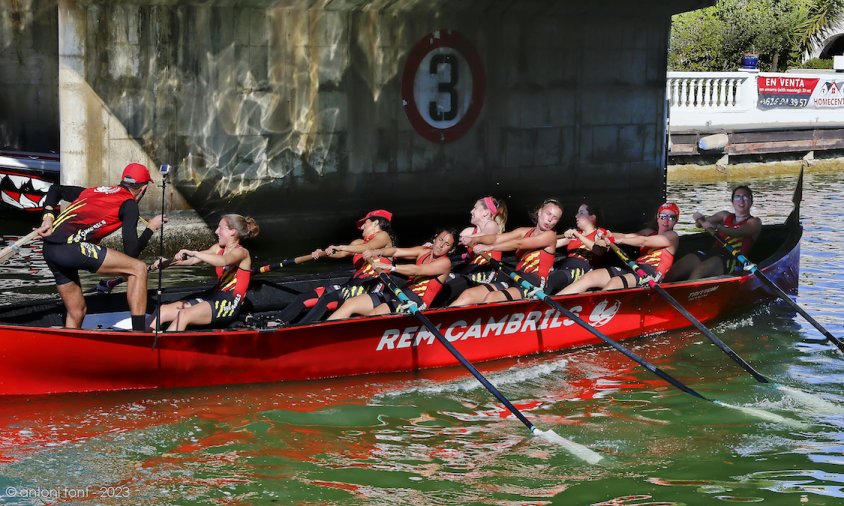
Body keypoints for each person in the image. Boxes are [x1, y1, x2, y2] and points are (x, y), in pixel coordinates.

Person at [35, 163, 165, 330]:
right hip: (69, 249)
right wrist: (151, 228)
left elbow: (55, 189)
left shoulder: (93, 191)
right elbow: (132, 251)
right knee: (138, 269)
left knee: (77, 311)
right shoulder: (129, 205)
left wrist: (48, 217)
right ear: (143, 189)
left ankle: (69, 349)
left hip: (49, 250)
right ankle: (139, 335)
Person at [272, 210, 396, 325]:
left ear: (375, 222)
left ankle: (299, 330)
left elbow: (367, 248)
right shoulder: (358, 243)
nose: (362, 227)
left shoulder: (384, 236)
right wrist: (324, 252)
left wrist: (340, 246)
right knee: (305, 297)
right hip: (353, 284)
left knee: (328, 299)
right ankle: (275, 322)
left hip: (370, 286)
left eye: (365, 223)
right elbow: (340, 254)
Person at [149, 214, 259, 331]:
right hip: (213, 295)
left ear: (232, 232)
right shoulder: (217, 248)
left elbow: (222, 261)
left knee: (184, 315)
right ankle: (142, 339)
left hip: (229, 302)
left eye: (220, 228)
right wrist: (168, 262)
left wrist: (195, 252)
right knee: (162, 310)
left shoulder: (242, 253)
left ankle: (164, 347)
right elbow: (192, 260)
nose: (216, 231)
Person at [327, 228, 456, 319]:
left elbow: (417, 270)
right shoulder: (423, 250)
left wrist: (390, 267)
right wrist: (377, 252)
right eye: (440, 240)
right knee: (351, 303)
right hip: (400, 292)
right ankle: (323, 338)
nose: (441, 245)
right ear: (435, 238)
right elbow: (395, 251)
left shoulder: (445, 263)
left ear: (451, 249)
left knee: (375, 313)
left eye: (446, 244)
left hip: (415, 301)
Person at [558, 202, 680, 294]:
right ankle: (552, 308)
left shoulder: (672, 236)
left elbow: (644, 241)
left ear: (676, 221)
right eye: (663, 216)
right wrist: (608, 234)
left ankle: (592, 313)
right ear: (658, 217)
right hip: (634, 268)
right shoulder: (648, 231)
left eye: (671, 217)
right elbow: (624, 235)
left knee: (614, 283)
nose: (666, 220)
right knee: (590, 277)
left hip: (651, 273)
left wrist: (617, 240)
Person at [462, 198, 563, 303]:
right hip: (516, 277)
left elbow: (519, 243)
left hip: (533, 283)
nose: (550, 219)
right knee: (468, 294)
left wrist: (490, 247)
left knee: (493, 297)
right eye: (548, 214)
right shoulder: (523, 231)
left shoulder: (550, 235)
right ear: (540, 212)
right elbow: (495, 238)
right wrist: (474, 239)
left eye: (555, 218)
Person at [665, 185, 762, 281]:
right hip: (714, 252)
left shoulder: (755, 222)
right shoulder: (724, 215)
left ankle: (685, 295)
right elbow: (700, 225)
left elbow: (736, 232)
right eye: (737, 197)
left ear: (751, 202)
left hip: (734, 258)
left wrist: (717, 227)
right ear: (732, 202)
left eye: (745, 196)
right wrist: (700, 219)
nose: (741, 200)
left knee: (700, 271)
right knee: (678, 267)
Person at [443, 196, 508, 306]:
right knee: (443, 281)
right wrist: (434, 245)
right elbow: (451, 243)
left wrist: (471, 239)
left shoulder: (492, 224)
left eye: (475, 208)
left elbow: (486, 234)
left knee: (451, 287)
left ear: (486, 213)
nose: (471, 211)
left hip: (485, 273)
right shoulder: (469, 231)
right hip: (470, 272)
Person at [544, 203, 609, 294]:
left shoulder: (599, 233)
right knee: (544, 278)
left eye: (581, 213)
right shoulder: (575, 234)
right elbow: (549, 246)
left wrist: (578, 235)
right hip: (565, 265)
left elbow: (599, 250)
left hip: (582, 268)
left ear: (592, 217)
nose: (576, 216)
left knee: (555, 280)